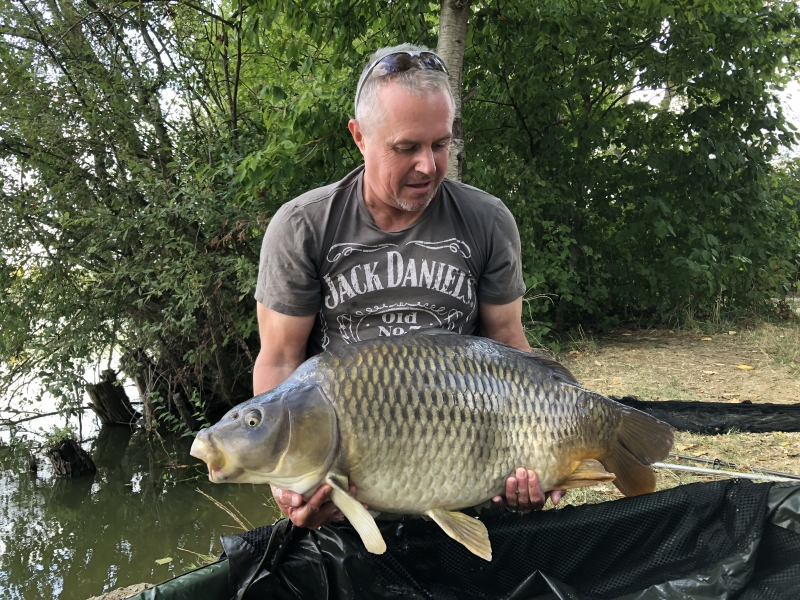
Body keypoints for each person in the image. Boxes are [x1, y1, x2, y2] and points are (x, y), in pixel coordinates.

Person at [253, 43, 564, 530]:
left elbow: (508, 341)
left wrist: (544, 452)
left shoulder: (486, 220)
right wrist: (285, 475)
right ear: (359, 136)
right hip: (351, 477)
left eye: (440, 144)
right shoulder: (302, 227)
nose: (428, 165)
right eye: (406, 148)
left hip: (463, 456)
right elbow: (279, 359)